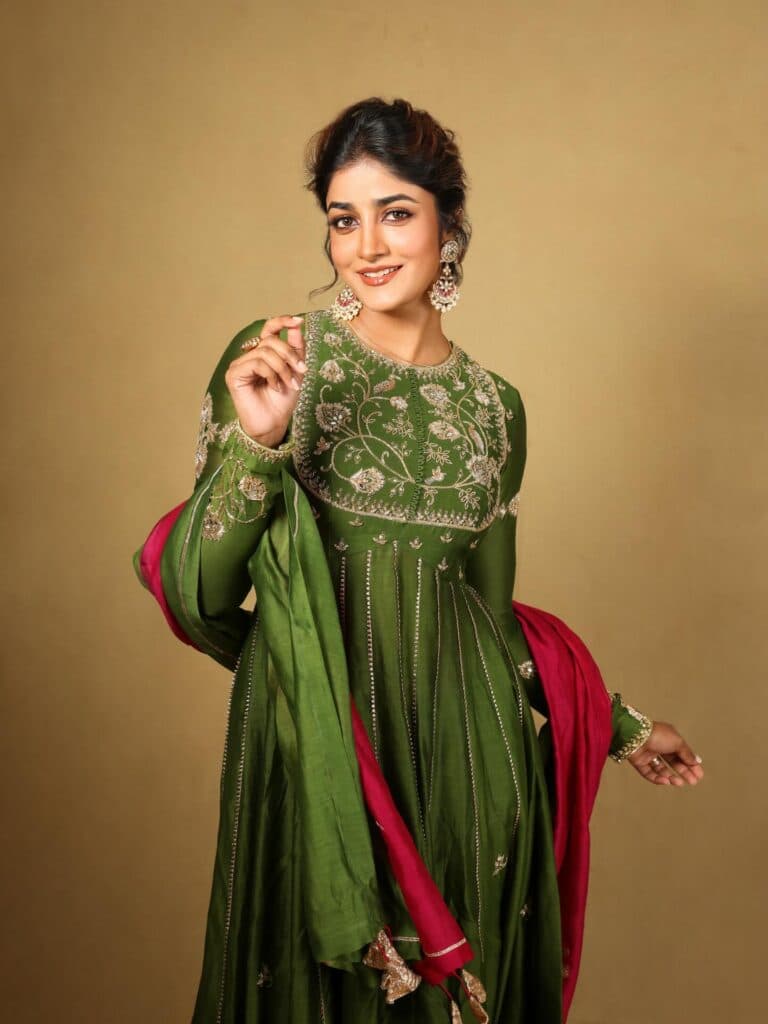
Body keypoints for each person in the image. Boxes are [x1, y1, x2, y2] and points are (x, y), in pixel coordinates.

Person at [133, 97, 704, 1023]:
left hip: (467, 766)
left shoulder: (495, 408)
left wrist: (624, 728)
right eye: (343, 219)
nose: (367, 245)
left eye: (396, 212)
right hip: (315, 757)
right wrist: (258, 446)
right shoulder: (279, 360)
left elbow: (491, 621)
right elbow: (196, 594)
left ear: (449, 226)